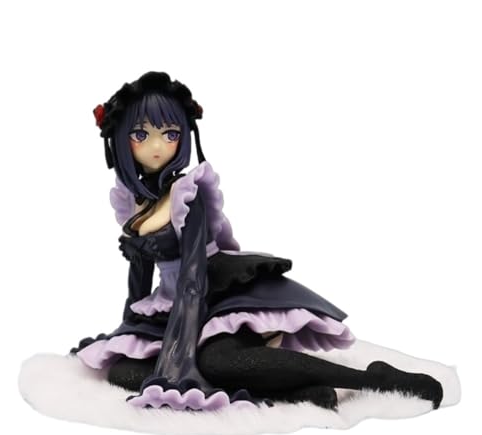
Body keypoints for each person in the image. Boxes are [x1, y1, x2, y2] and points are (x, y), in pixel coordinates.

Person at [70, 70, 443, 411]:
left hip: (213, 294)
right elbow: (139, 276)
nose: (157, 146)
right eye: (141, 135)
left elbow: (193, 277)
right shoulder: (132, 202)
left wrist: (180, 355)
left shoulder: (187, 193)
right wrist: (126, 331)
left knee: (215, 363)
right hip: (170, 306)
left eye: (170, 134)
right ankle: (297, 392)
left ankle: (372, 379)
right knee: (124, 372)